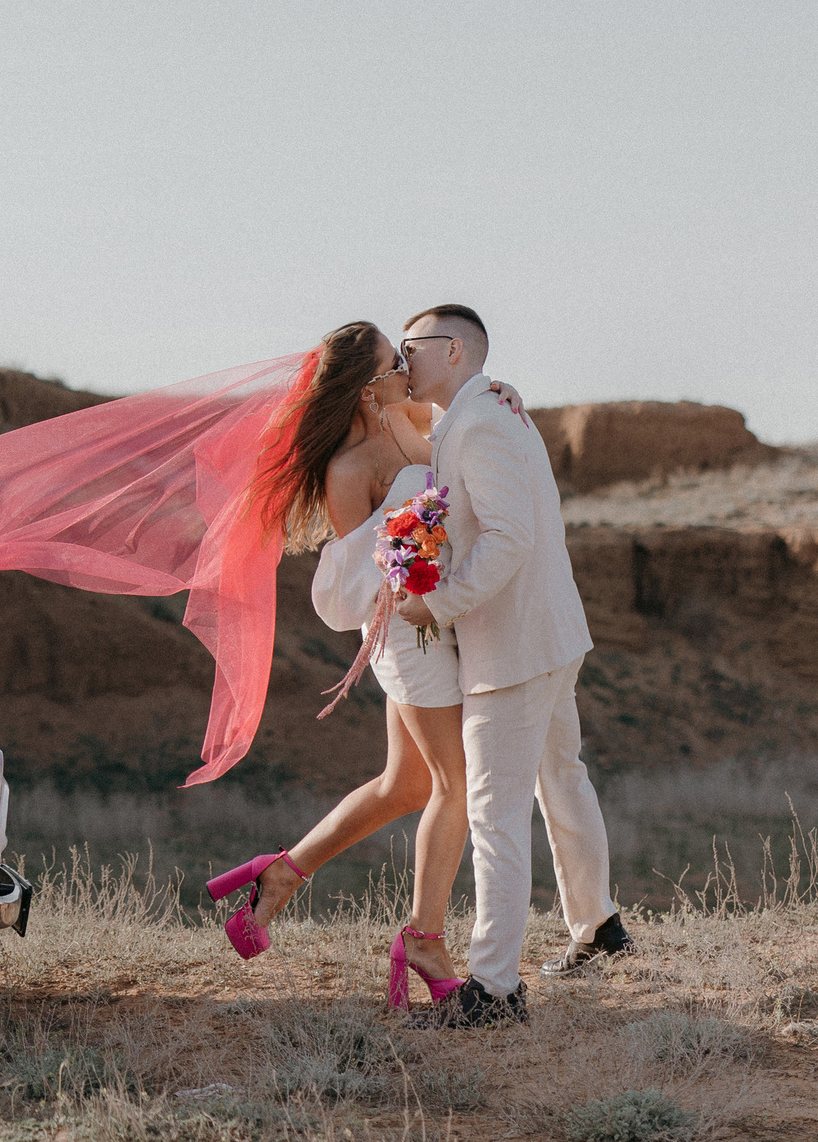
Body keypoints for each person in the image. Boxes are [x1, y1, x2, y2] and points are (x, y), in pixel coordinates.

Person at [213, 321, 510, 1011]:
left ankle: (283, 874)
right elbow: (358, 583)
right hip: (406, 638)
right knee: (457, 784)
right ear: (367, 385)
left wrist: (506, 400)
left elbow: (466, 425)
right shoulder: (347, 471)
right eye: (394, 362)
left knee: (404, 785)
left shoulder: (407, 415)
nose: (408, 368)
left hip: (436, 621)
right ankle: (425, 937)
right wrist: (414, 560)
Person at [393, 303, 628, 1026]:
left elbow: (509, 535)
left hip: (515, 645)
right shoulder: (486, 412)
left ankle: (494, 988)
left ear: (455, 350)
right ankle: (599, 926)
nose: (404, 360)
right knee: (562, 778)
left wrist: (442, 604)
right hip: (549, 634)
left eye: (413, 347)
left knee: (496, 812)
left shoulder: (486, 418)